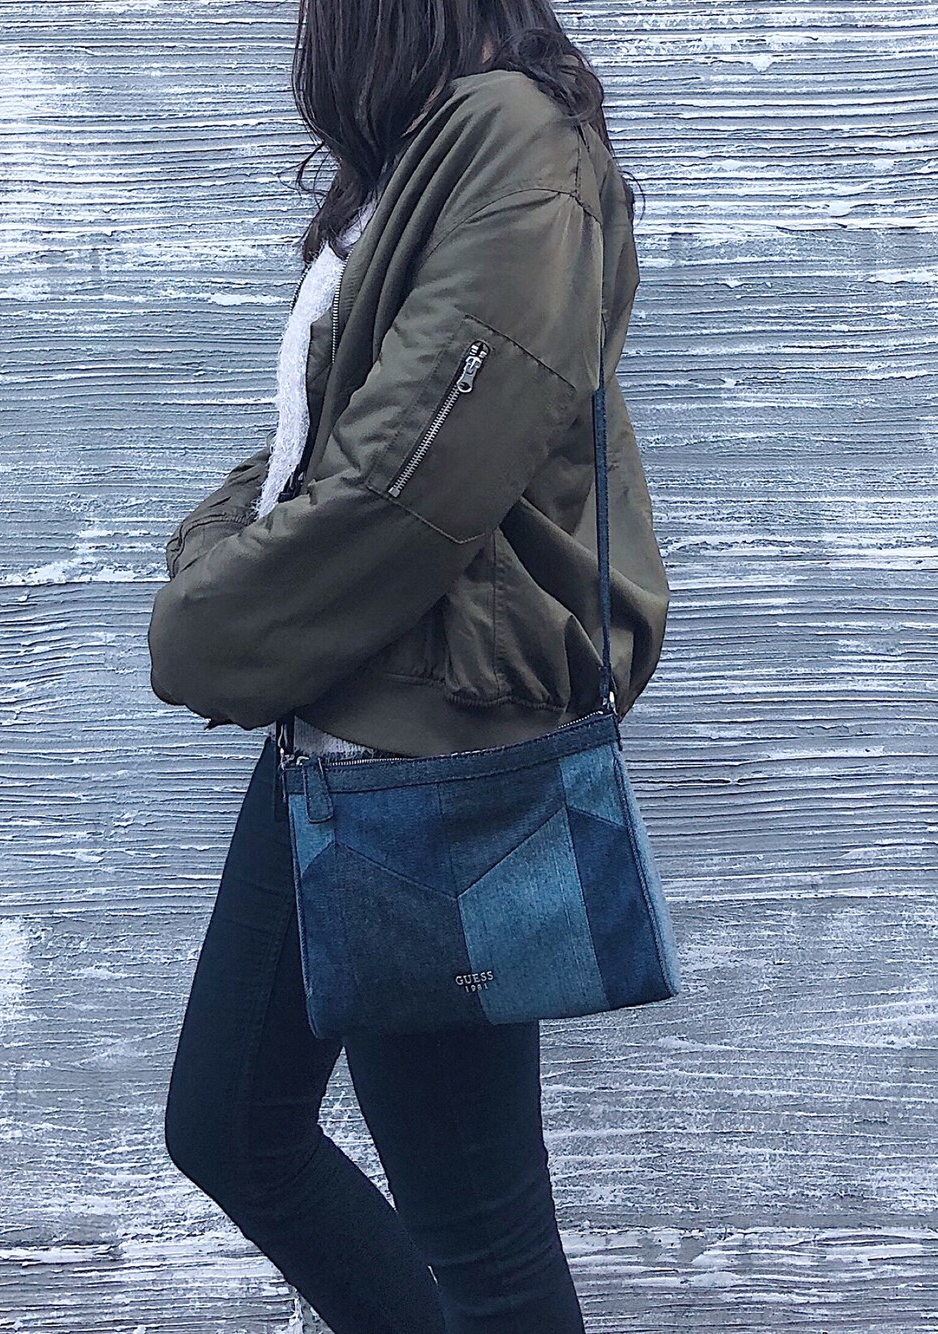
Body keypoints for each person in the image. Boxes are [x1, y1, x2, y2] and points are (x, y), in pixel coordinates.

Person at [151, 3, 671, 1331]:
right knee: (232, 1126)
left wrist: (209, 627)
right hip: (346, 725)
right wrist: (223, 557)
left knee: (481, 1239)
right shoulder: (427, 154)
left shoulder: (514, 140)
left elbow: (410, 480)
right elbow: (330, 441)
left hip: (431, 744)